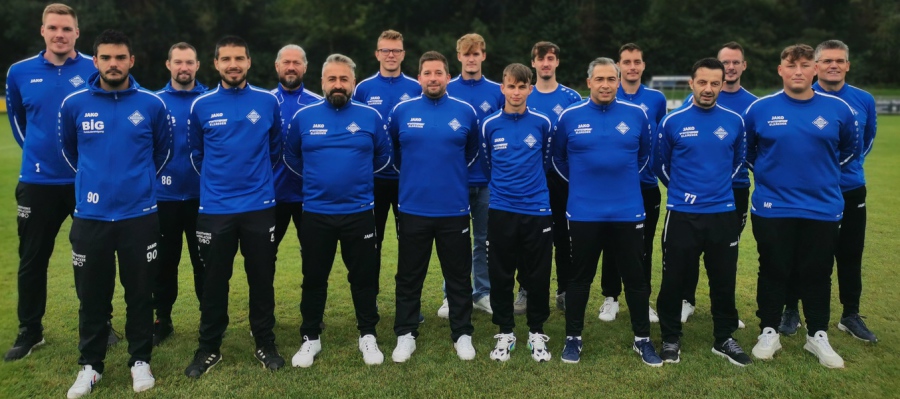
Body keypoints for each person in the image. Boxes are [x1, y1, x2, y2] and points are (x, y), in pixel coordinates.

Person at [58, 29, 172, 397]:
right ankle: (90, 367)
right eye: (106, 57)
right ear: (95, 61)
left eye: (120, 57)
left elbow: (162, 153)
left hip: (139, 216)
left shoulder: (152, 104)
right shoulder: (74, 104)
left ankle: (141, 361)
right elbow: (70, 153)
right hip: (90, 216)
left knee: (140, 293)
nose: (113, 63)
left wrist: (135, 185)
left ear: (131, 61)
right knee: (92, 295)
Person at [4, 3, 118, 362]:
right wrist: (39, 156)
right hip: (38, 183)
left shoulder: (93, 67)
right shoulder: (19, 72)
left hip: (86, 181)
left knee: (94, 257)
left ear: (77, 34)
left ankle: (101, 323)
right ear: (43, 31)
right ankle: (30, 330)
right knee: (32, 258)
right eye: (53, 28)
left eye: (66, 29)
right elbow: (20, 123)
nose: (60, 34)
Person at [745, 44, 858, 369]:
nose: (798, 71)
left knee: (818, 272)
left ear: (815, 70)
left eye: (805, 65)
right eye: (791, 66)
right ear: (780, 70)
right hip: (772, 207)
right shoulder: (760, 109)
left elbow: (850, 148)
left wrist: (821, 174)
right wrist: (772, 178)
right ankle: (769, 331)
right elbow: (749, 152)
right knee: (773, 269)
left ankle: (818, 335)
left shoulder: (838, 109)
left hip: (821, 207)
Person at [184, 35, 285, 378]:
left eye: (239, 58)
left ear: (249, 62)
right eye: (226, 59)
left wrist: (254, 183)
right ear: (215, 64)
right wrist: (220, 186)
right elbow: (197, 154)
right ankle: (209, 347)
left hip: (259, 207)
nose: (233, 65)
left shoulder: (268, 102)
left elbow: (275, 150)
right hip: (215, 209)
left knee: (262, 278)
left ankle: (265, 342)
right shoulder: (202, 105)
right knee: (214, 281)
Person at [285, 54, 392, 368]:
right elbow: (292, 157)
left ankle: (368, 334)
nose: (338, 85)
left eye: (344, 79)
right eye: (332, 79)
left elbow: (383, 156)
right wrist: (323, 180)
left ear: (353, 83)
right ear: (322, 82)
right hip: (316, 213)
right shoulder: (304, 118)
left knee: (363, 277)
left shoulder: (370, 116)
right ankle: (310, 338)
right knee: (314, 277)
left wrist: (353, 178)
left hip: (359, 212)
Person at [552, 57, 661, 366]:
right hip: (584, 212)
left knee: (636, 279)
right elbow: (558, 159)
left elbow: (644, 156)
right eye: (599, 79)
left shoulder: (636, 114)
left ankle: (643, 339)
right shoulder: (570, 117)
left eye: (611, 79)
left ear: (618, 82)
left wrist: (620, 182)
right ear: (588, 83)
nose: (605, 85)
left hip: (627, 211)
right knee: (579, 279)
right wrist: (583, 185)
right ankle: (573, 338)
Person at [778, 40, 878, 343]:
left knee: (849, 253)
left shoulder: (864, 100)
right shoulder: (801, 97)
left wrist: (838, 169)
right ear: (815, 66)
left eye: (840, 60)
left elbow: (866, 140)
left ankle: (850, 315)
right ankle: (791, 311)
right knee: (799, 255)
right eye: (827, 61)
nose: (833, 65)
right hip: (807, 193)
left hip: (849, 189)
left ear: (848, 65)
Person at [654, 58, 751, 367]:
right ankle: (670, 337)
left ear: (722, 85)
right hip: (682, 214)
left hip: (723, 213)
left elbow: (739, 161)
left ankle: (724, 338)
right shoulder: (672, 121)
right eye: (703, 82)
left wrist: (715, 188)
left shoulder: (734, 121)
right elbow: (661, 165)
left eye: (715, 83)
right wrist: (684, 192)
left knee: (724, 279)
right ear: (691, 84)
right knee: (673, 280)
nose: (708, 89)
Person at [390, 51, 479, 363]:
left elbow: (471, 152)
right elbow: (397, 155)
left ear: (447, 76)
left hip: (454, 210)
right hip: (413, 209)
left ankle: (462, 333)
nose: (433, 78)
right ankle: (405, 334)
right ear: (419, 77)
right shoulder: (402, 111)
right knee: (409, 276)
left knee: (458, 276)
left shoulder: (465, 112)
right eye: (427, 73)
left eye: (438, 73)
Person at [481, 63, 554, 362]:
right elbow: (487, 165)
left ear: (530, 89)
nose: (516, 91)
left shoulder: (543, 123)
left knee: (537, 272)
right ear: (503, 88)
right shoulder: (488, 125)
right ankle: (506, 331)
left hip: (536, 209)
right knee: (500, 272)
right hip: (501, 209)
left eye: (522, 86)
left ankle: (536, 332)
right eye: (511, 86)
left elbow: (548, 161)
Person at [680, 42, 756, 329]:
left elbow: (750, 149)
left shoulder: (753, 104)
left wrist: (727, 177)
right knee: (689, 248)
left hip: (733, 189)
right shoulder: (694, 100)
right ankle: (686, 300)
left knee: (726, 251)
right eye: (726, 63)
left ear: (743, 66)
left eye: (736, 62)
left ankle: (725, 308)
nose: (731, 67)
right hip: (696, 191)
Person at [598, 43, 666, 324]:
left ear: (643, 65)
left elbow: (659, 139)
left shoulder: (657, 99)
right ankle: (610, 298)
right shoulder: (607, 94)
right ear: (618, 66)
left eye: (637, 61)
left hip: (645, 185)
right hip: (612, 187)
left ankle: (642, 298)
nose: (632, 67)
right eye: (626, 62)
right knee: (610, 243)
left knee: (643, 246)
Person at [437, 33, 503, 318]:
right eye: (467, 54)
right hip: (454, 181)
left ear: (483, 56)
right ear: (459, 57)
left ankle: (483, 293)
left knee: (484, 240)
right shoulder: (446, 89)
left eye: (476, 53)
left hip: (487, 180)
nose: (471, 58)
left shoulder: (497, 91)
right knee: (453, 240)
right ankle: (451, 295)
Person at [514, 41, 582, 315]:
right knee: (528, 237)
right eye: (540, 59)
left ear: (557, 62)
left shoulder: (572, 97)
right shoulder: (524, 94)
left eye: (550, 58)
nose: (545, 63)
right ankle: (525, 289)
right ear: (533, 63)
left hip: (564, 179)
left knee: (565, 236)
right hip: (531, 180)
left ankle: (564, 290)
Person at [152, 42, 208, 346]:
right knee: (164, 262)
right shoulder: (154, 102)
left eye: (189, 62)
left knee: (205, 262)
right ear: (168, 65)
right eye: (178, 62)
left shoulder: (211, 100)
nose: (184, 68)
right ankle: (163, 318)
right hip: (164, 198)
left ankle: (209, 318)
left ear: (198, 65)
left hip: (204, 198)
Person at [352, 30, 422, 274]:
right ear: (377, 53)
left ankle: (407, 305)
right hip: (373, 179)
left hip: (408, 179)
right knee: (371, 241)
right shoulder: (363, 89)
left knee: (411, 243)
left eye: (396, 50)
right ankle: (370, 301)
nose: (390, 54)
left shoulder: (416, 87)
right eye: (385, 50)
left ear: (403, 54)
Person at [271, 44, 322, 255]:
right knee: (264, 256)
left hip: (309, 196)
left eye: (296, 63)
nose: (291, 67)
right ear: (277, 66)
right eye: (286, 62)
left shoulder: (318, 104)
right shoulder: (265, 103)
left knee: (314, 255)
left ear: (305, 67)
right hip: (272, 195)